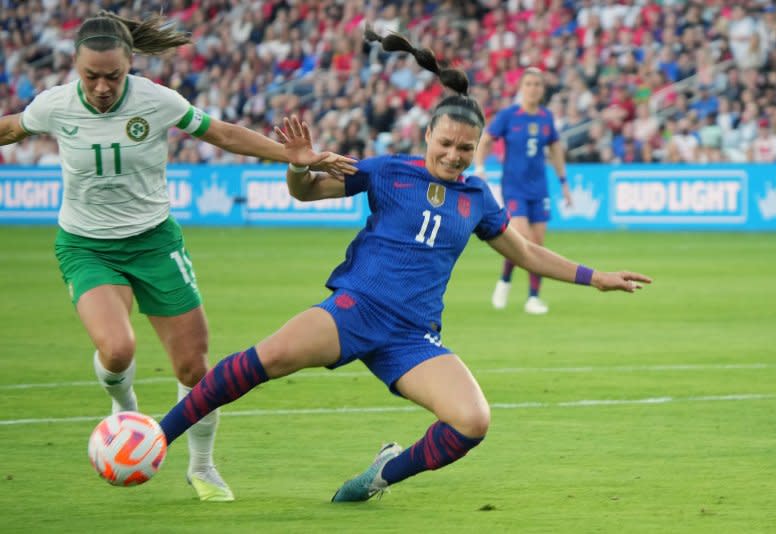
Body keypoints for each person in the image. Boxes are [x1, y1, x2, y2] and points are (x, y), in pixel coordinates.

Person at [156, 30, 651, 503]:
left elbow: (526, 253)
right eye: (446, 143)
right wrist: (298, 164)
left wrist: (596, 278)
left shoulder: (478, 197)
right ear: (427, 134)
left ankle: (380, 474)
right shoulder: (388, 170)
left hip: (412, 336)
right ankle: (158, 437)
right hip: (353, 309)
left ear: (477, 149)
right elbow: (307, 192)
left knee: (472, 421)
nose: (454, 155)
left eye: (465, 148)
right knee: (257, 364)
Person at [0, 11, 355, 502]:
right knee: (118, 349)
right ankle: (125, 412)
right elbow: (13, 128)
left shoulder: (157, 100)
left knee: (195, 369)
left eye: (113, 76)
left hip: (155, 243)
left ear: (129, 67)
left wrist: (293, 156)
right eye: (91, 76)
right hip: (86, 245)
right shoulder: (54, 105)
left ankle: (203, 467)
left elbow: (223, 134)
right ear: (75, 69)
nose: (102, 86)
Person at [473, 67, 573, 315]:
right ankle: (507, 284)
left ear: (542, 90)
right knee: (524, 240)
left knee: (537, 243)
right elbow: (486, 140)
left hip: (539, 190)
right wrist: (480, 167)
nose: (533, 88)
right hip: (514, 189)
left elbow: (556, 149)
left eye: (537, 85)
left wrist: (563, 182)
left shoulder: (546, 118)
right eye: (528, 84)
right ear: (521, 88)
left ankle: (532, 297)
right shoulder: (509, 115)